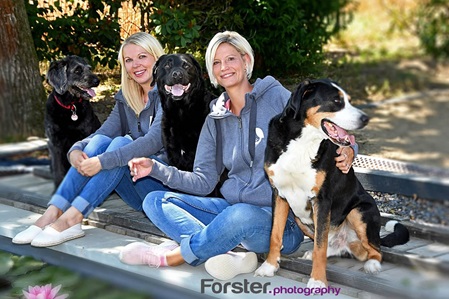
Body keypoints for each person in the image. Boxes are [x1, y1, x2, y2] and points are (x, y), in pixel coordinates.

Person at [119, 31, 356, 280]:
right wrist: (155, 169)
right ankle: (228, 253)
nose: (224, 67)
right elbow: (203, 181)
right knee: (155, 201)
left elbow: (324, 121)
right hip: (231, 210)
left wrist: (350, 148)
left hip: (280, 222)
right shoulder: (215, 119)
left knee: (239, 215)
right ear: (211, 72)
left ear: (246, 61)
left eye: (231, 59)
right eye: (217, 63)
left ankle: (172, 256)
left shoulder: (276, 98)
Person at [12, 32, 170, 247]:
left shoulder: (171, 94)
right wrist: (76, 149)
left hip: (162, 190)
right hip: (135, 188)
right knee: (103, 142)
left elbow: (153, 142)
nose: (135, 65)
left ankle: (73, 217)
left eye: (142, 57)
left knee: (121, 145)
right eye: (128, 60)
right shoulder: (128, 96)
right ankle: (53, 212)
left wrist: (102, 162)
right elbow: (103, 133)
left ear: (157, 58)